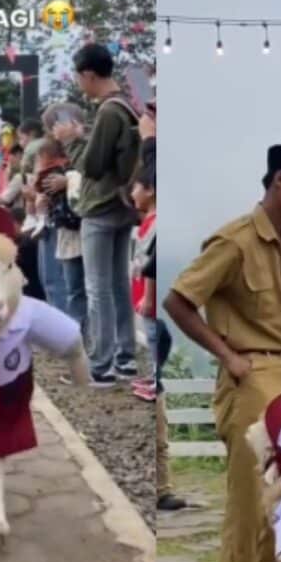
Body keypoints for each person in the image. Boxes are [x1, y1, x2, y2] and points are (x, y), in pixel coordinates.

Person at [164, 144, 281, 562]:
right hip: (252, 377)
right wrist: (228, 357)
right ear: (280, 179)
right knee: (251, 508)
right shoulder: (235, 241)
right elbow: (178, 302)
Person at [73, 43, 142, 384]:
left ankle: (100, 365)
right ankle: (125, 357)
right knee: (118, 285)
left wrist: (71, 141)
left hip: (99, 207)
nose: (79, 83)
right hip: (122, 207)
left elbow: (93, 165)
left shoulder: (108, 112)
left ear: (88, 74)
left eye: (79, 76)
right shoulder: (128, 105)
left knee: (97, 288)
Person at [41, 102, 88, 330]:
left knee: (91, 288)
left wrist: (67, 180)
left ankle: (90, 334)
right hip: (65, 228)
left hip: (87, 223)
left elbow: (94, 174)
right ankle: (76, 333)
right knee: (73, 287)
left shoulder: (86, 144)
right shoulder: (50, 153)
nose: (54, 132)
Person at [32, 140, 70, 313]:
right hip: (48, 222)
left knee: (56, 281)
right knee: (48, 279)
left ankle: (61, 321)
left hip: (60, 226)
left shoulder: (64, 173)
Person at [129, 166, 157, 394]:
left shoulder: (157, 224)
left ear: (150, 190)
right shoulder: (148, 221)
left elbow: (153, 264)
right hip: (143, 293)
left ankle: (158, 383)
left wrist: (148, 297)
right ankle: (154, 377)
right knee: (151, 337)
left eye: (136, 188)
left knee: (155, 339)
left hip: (151, 296)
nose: (132, 193)